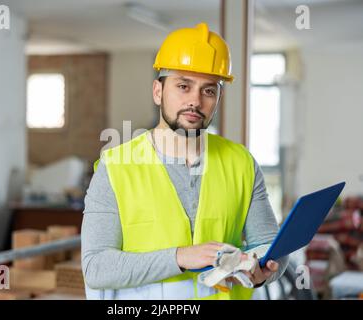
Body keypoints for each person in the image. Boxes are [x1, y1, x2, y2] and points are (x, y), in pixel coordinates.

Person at [81, 22, 288, 300]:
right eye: (183, 86)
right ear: (158, 91)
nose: (195, 101)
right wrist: (180, 257)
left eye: (209, 90)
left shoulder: (242, 163)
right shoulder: (115, 167)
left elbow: (270, 246)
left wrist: (266, 269)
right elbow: (96, 268)